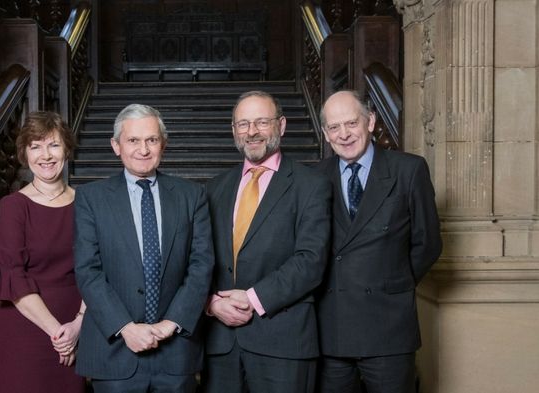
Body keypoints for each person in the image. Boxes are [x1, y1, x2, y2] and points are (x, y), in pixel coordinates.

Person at [73, 103, 214, 393]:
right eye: (133, 140)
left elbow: (201, 265)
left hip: (176, 351)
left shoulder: (193, 195)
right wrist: (125, 327)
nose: (143, 149)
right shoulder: (91, 198)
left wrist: (172, 323)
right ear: (116, 146)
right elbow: (88, 271)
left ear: (164, 144)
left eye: (151, 140)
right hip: (114, 352)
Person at [203, 90, 332, 393]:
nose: (252, 132)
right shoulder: (214, 188)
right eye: (243, 124)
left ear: (282, 125)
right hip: (221, 344)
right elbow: (198, 258)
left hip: (283, 343)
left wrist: (252, 298)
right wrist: (210, 303)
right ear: (234, 130)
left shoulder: (311, 186)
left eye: (262, 122)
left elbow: (310, 260)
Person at [316, 90, 442, 393]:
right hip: (332, 328)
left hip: (388, 326)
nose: (344, 135)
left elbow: (428, 243)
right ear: (325, 133)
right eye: (334, 127)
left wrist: (392, 283)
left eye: (351, 123)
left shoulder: (409, 170)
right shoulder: (315, 178)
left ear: (370, 121)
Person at [0, 111, 86, 393]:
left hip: (77, 320)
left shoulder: (88, 203)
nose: (45, 155)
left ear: (67, 149)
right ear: (25, 154)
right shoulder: (13, 206)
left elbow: (99, 269)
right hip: (27, 326)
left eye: (53, 145)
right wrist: (58, 333)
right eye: (36, 146)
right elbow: (14, 277)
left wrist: (77, 326)